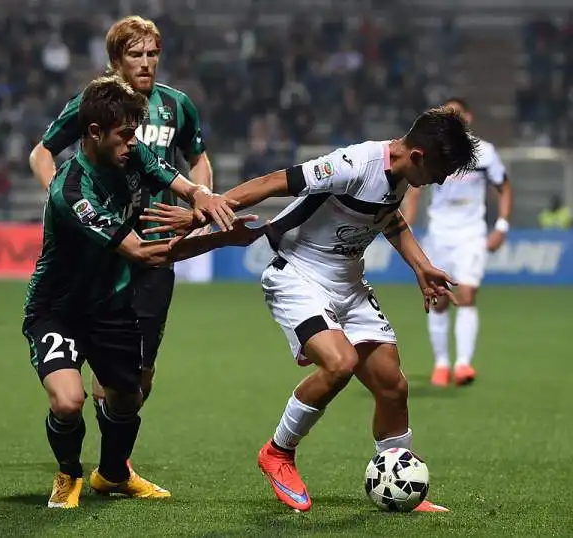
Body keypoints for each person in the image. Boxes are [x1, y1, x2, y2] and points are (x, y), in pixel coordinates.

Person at [142, 106, 478, 512]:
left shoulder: (402, 175)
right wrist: (206, 209)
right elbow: (272, 182)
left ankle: (396, 473)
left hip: (348, 283)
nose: (440, 181)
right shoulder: (352, 165)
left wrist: (421, 268)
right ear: (420, 156)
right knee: (339, 363)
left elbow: (390, 220)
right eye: (441, 172)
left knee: (393, 386)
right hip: (296, 273)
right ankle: (278, 452)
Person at [23, 76, 261, 509]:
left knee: (128, 397)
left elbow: (179, 180)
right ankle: (68, 473)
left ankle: (112, 475)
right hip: (58, 310)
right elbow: (142, 252)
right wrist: (220, 239)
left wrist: (202, 198)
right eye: (125, 134)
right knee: (69, 400)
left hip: (110, 303)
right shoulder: (71, 192)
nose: (135, 142)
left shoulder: (131, 154)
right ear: (94, 133)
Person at [28, 15, 213, 415]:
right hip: (106, 248)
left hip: (155, 243)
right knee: (109, 356)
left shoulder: (178, 105)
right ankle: (113, 463)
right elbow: (41, 153)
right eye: (136, 55)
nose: (146, 63)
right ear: (116, 59)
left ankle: (113, 446)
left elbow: (198, 162)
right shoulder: (93, 104)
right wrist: (64, 203)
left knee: (141, 372)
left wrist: (201, 202)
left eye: (153, 54)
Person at [402, 98, 513, 387]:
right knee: (438, 299)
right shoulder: (433, 152)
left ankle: (463, 364)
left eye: (457, 114)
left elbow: (504, 188)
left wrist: (501, 225)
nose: (453, 118)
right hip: (439, 233)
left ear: (469, 117)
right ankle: (441, 365)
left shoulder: (485, 153)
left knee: (467, 295)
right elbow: (415, 191)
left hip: (471, 234)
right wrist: (407, 226)